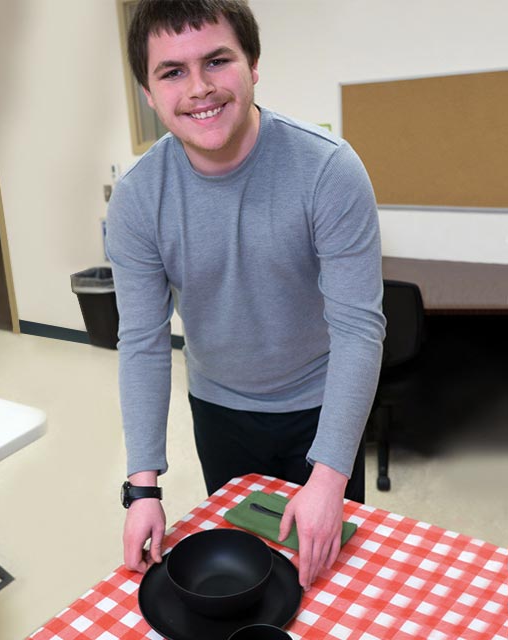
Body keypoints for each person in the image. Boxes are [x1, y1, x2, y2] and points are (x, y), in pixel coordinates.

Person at [107, 0, 385, 591]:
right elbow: (143, 342)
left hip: (322, 405)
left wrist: (329, 478)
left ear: (253, 65)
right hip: (220, 410)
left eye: (217, 60)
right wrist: (143, 487)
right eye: (172, 71)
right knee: (244, 575)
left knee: (325, 577)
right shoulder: (137, 199)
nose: (200, 88)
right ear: (148, 90)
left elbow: (360, 329)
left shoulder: (328, 170)